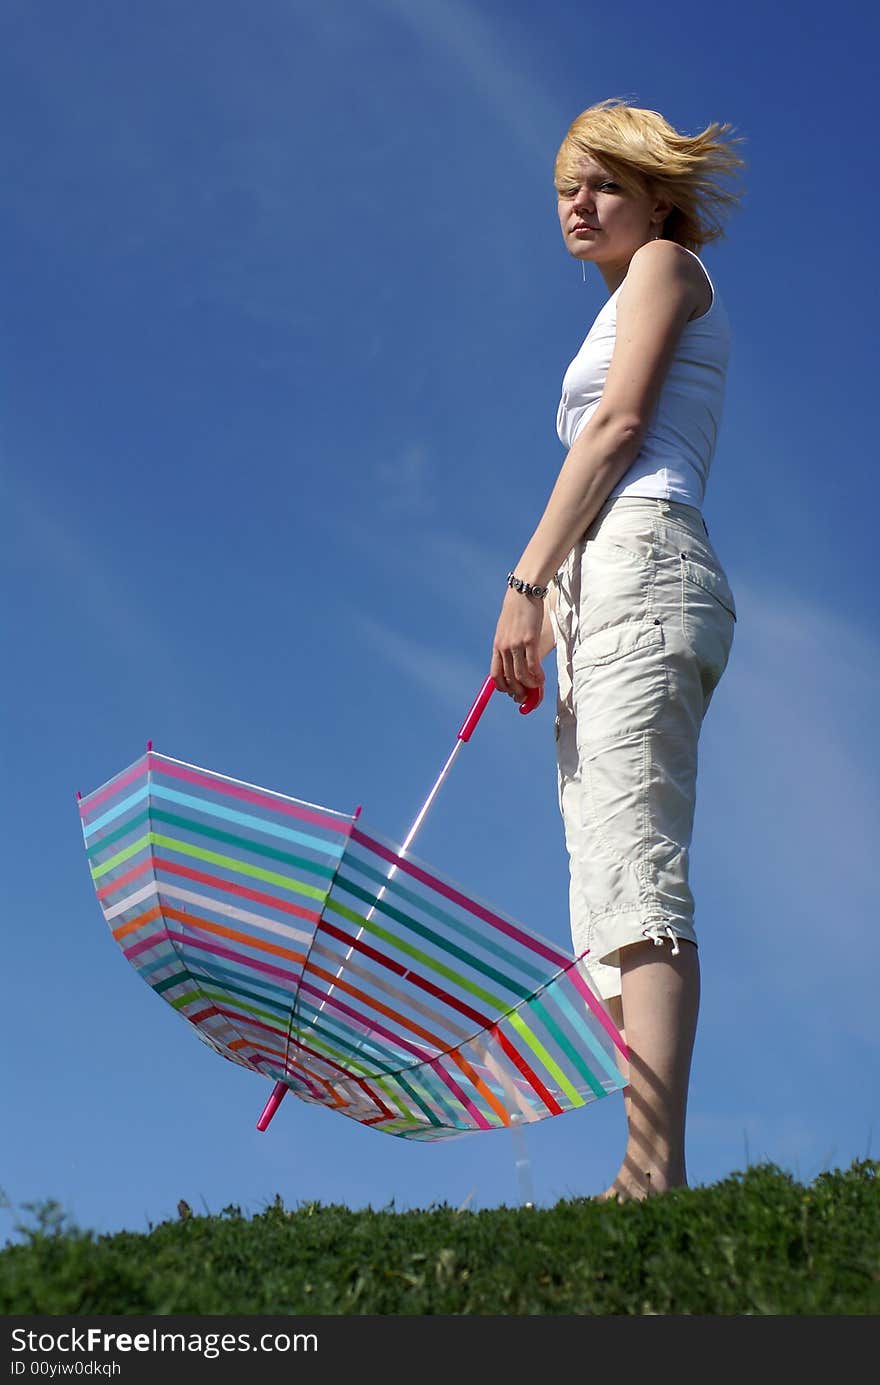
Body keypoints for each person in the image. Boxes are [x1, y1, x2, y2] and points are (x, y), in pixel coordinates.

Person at [490, 98, 746, 1202]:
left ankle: (651, 1172)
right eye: (564, 187)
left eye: (601, 183)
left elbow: (616, 431)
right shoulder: (620, 297)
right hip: (601, 587)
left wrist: (522, 582)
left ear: (658, 197)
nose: (577, 204)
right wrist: (552, 607)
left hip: (640, 559)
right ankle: (646, 1169)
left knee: (635, 867)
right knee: (602, 878)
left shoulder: (666, 270)